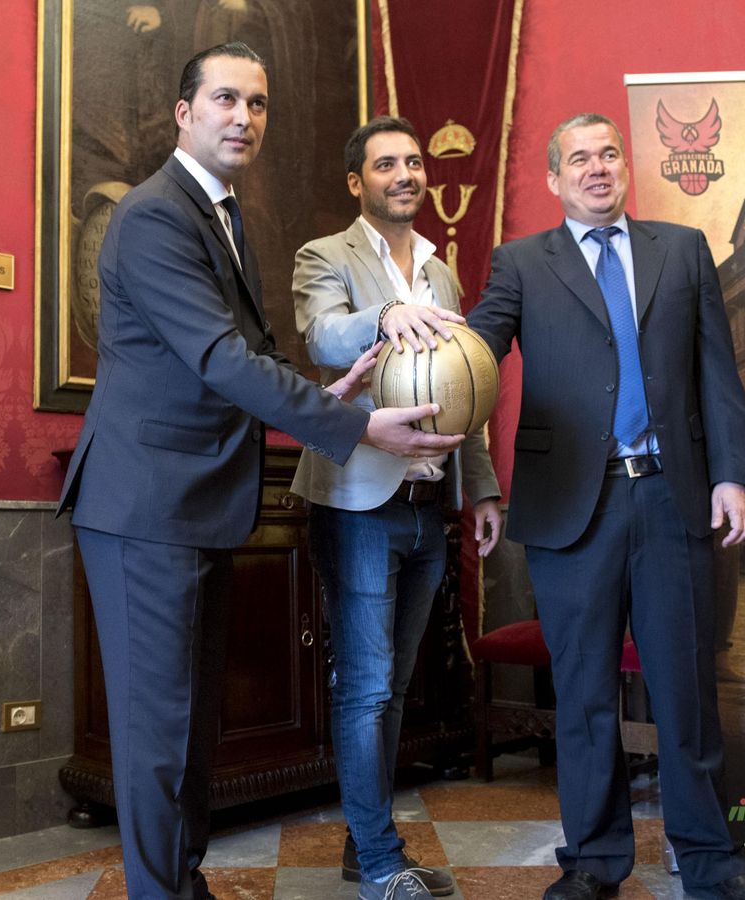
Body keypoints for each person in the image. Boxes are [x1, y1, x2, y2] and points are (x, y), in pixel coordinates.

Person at [56, 42, 462, 900]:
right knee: (159, 737)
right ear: (184, 112)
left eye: (259, 103)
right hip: (145, 509)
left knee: (192, 730)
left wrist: (333, 387)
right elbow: (218, 358)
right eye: (226, 99)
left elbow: (244, 355)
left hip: (195, 504)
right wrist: (356, 424)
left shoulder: (221, 214)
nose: (245, 117)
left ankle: (182, 886)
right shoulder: (156, 214)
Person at [465, 113, 745, 900]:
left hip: (674, 501)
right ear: (553, 177)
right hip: (574, 507)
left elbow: (717, 371)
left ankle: (711, 867)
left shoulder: (682, 249)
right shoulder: (520, 263)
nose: (598, 168)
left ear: (623, 166)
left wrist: (731, 474)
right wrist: (412, 329)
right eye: (580, 158)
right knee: (584, 699)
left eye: (609, 154)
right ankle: (596, 864)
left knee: (686, 695)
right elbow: (475, 350)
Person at [290, 116, 501, 900]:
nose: (406, 174)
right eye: (387, 164)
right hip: (356, 502)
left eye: (414, 162)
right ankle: (381, 863)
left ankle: (360, 841)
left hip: (427, 506)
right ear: (358, 182)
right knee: (367, 685)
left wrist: (478, 485)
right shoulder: (326, 257)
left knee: (397, 684)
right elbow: (320, 335)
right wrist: (382, 317)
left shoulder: (442, 275)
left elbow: (464, 392)